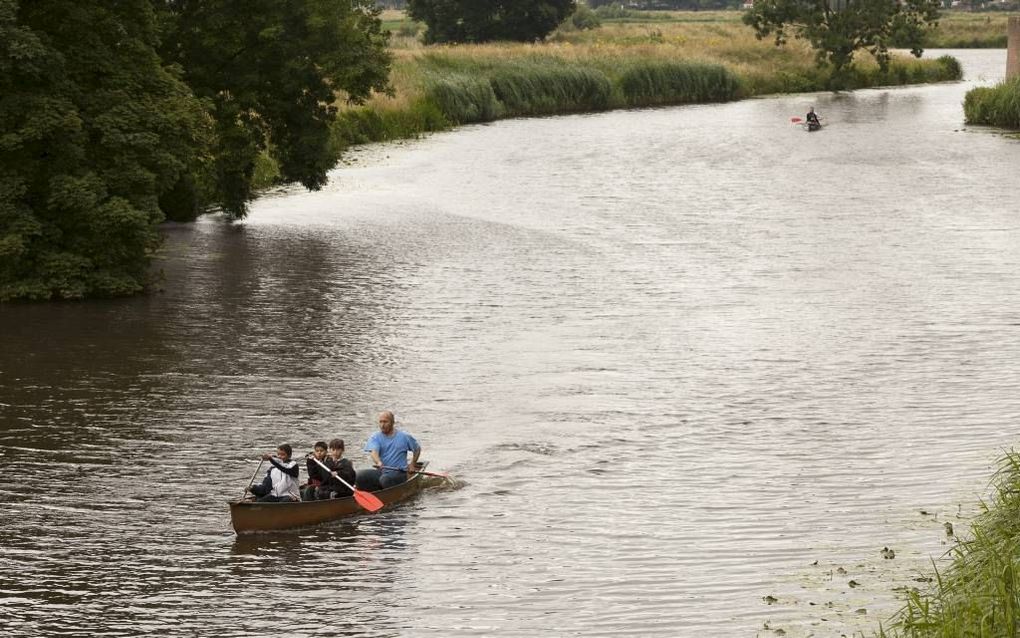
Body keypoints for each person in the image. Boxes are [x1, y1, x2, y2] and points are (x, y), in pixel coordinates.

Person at [356, 411, 421, 492]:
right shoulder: (375, 437)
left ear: (392, 422)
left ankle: (388, 495)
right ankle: (372, 494)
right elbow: (374, 452)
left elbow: (417, 449)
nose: (382, 425)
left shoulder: (404, 436)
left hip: (399, 473)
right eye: (380, 422)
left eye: (385, 422)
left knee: (385, 479)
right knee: (359, 475)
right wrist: (378, 462)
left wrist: (412, 464)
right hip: (382, 472)